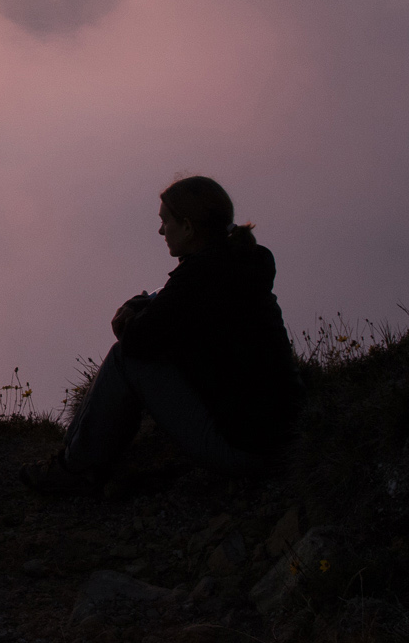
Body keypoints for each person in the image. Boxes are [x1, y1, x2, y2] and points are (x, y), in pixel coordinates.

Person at [22, 176, 301, 494]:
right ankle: (89, 457)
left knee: (124, 358)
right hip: (285, 438)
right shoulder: (241, 262)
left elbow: (137, 341)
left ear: (187, 226)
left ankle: (75, 466)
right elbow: (171, 298)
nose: (160, 231)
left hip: (244, 453)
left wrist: (132, 314)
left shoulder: (199, 277)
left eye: (165, 222)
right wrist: (143, 303)